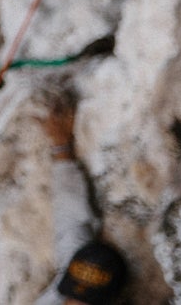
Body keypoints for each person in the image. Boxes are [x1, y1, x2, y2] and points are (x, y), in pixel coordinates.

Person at [35, 97, 128, 305]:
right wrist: (61, 148)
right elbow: (70, 217)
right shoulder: (59, 293)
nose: (73, 304)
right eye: (72, 297)